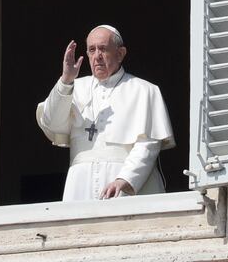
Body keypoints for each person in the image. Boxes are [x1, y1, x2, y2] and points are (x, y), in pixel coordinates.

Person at [36, 25, 175, 201]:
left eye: (103, 49)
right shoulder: (74, 87)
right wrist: (66, 80)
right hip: (80, 185)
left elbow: (148, 143)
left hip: (126, 184)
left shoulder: (144, 90)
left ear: (120, 53)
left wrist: (124, 179)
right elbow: (52, 122)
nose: (97, 56)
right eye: (92, 50)